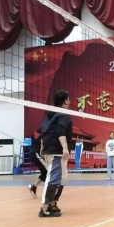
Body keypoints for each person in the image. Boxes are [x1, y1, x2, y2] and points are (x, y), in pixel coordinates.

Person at [39, 90, 73, 218]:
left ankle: (53, 203)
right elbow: (60, 132)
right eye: (68, 99)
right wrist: (65, 147)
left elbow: (43, 131)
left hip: (51, 149)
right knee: (53, 178)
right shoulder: (62, 114)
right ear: (65, 101)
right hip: (56, 151)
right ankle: (44, 207)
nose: (70, 101)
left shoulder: (50, 115)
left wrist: (42, 147)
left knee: (63, 178)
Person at [28, 129, 49, 198]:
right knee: (48, 172)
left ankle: (33, 186)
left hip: (35, 154)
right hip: (36, 154)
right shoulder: (41, 134)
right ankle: (49, 191)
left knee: (45, 172)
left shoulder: (39, 134)